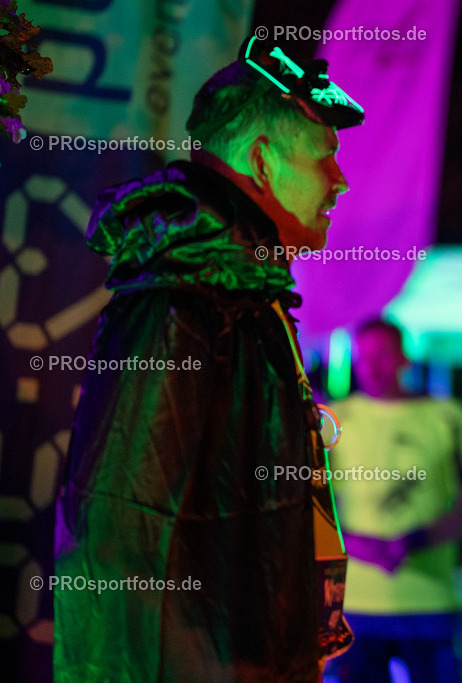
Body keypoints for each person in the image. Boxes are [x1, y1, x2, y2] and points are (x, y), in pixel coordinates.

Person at [53, 37, 363, 681]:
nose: (340, 181)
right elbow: (119, 528)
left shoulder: (241, 293)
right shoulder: (181, 298)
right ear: (261, 159)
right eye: (325, 158)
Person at [325, 319, 462, 683]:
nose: (371, 368)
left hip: (431, 602)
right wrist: (355, 544)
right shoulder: (334, 420)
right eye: (363, 358)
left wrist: (414, 541)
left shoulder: (449, 416)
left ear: (403, 360)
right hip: (354, 606)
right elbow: (314, 505)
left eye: (382, 356)